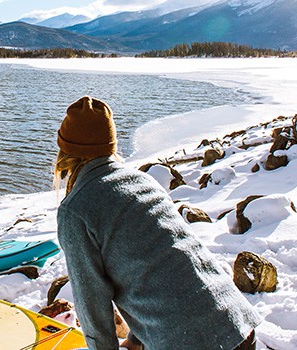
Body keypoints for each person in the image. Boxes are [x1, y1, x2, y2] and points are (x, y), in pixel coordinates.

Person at [54, 96, 262, 350]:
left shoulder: (76, 209)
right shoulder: (142, 182)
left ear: (66, 154)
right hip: (235, 322)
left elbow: (91, 302)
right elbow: (166, 263)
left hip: (189, 341)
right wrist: (135, 340)